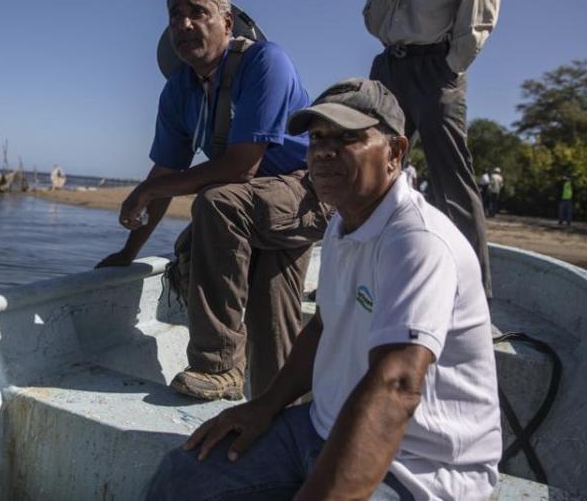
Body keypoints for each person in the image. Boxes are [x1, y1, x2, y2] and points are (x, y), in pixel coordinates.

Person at [146, 78, 501, 501]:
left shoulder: (417, 241)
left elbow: (397, 383)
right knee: (183, 477)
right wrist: (267, 404)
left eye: (348, 137)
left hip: (418, 467)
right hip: (319, 425)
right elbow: (323, 327)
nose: (324, 152)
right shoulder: (341, 223)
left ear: (395, 152)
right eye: (317, 138)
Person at [97, 0, 330, 401]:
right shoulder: (178, 93)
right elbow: (163, 175)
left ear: (226, 22)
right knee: (270, 309)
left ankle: (217, 364)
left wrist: (150, 191)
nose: (184, 24)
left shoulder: (265, 62)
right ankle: (283, 409)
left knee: (218, 204)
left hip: (306, 193)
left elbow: (242, 166)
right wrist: (128, 253)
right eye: (175, 16)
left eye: (197, 12)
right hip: (256, 203)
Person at [363, 0, 500, 296]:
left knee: (451, 181)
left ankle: (472, 292)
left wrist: (449, 67)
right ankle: (365, 277)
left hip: (436, 68)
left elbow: (480, 12)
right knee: (372, 171)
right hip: (390, 68)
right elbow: (373, 21)